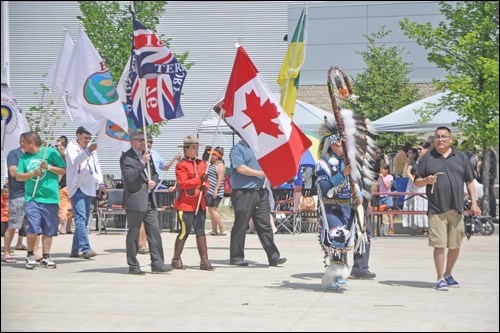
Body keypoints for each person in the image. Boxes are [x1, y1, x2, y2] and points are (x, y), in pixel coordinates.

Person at [415, 126, 480, 291]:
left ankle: (448, 274)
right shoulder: (427, 158)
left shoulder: (461, 157)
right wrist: (426, 181)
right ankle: (440, 278)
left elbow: (470, 181)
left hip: (457, 208)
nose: (440, 139)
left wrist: (474, 202)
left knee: (455, 245)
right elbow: (417, 181)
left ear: (450, 139)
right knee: (439, 244)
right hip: (437, 208)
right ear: (434, 139)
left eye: (444, 136)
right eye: (437, 136)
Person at [229, 138, 286, 267]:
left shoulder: (259, 150)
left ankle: (273, 257)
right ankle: (236, 257)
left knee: (265, 224)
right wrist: (261, 173)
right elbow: (241, 169)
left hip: (261, 191)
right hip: (244, 192)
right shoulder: (237, 149)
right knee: (241, 224)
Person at [315, 119, 358, 288]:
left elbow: (357, 185)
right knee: (337, 238)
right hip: (330, 207)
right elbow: (324, 187)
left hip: (348, 207)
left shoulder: (351, 162)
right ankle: (336, 275)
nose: (343, 145)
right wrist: (343, 173)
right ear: (332, 144)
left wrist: (360, 197)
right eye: (340, 142)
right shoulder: (323, 163)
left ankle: (340, 274)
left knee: (347, 241)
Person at [120, 131, 169, 275]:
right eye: (141, 140)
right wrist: (142, 162)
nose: (144, 142)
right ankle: (133, 265)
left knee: (154, 232)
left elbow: (154, 173)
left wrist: (154, 181)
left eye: (146, 140)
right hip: (135, 200)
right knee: (134, 233)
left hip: (149, 200)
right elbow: (130, 178)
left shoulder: (147, 155)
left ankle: (158, 263)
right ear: (132, 141)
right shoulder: (126, 157)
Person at [16, 131, 66, 269]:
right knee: (33, 226)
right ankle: (31, 254)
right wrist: (33, 173)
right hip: (32, 197)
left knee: (48, 229)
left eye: (23, 143)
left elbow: (63, 170)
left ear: (31, 143)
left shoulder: (50, 152)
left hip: (50, 198)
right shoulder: (24, 158)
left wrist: (48, 167)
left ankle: (46, 256)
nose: (21, 146)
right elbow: (19, 176)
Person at [171, 135, 215, 271]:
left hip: (199, 203)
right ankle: (176, 259)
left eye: (197, 148)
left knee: (200, 232)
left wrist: (205, 187)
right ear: (186, 149)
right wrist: (199, 181)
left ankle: (204, 261)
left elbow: (206, 182)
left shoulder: (202, 164)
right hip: (185, 205)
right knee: (185, 231)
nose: (196, 150)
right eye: (193, 148)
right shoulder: (181, 165)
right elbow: (183, 183)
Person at [138, 135, 181, 255]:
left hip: (153, 190)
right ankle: (142, 244)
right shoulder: (138, 155)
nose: (149, 144)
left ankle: (149, 244)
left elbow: (165, 166)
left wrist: (174, 159)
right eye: (148, 142)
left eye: (151, 142)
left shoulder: (155, 154)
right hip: (141, 189)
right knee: (141, 217)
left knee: (150, 217)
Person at [65, 127, 101, 259]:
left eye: (89, 138)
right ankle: (86, 248)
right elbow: (75, 161)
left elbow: (96, 165)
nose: (87, 141)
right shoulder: (71, 146)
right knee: (80, 219)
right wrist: (88, 151)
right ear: (78, 135)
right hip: (77, 187)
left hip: (89, 187)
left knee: (84, 221)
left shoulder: (91, 148)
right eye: (85, 138)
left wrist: (101, 182)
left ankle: (75, 250)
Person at [2, 138, 30, 264]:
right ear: (23, 141)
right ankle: (6, 253)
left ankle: (33, 253)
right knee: (14, 225)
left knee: (33, 226)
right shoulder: (14, 154)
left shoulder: (34, 155)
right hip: (18, 195)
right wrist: (33, 173)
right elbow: (13, 173)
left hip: (33, 195)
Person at [403, 143, 430, 234]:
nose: (418, 151)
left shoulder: (429, 159)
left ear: (427, 149)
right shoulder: (414, 159)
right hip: (413, 184)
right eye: (417, 149)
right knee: (415, 204)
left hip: (424, 183)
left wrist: (424, 181)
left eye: (420, 149)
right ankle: (418, 227)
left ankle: (425, 226)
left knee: (424, 204)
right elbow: (408, 171)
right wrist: (414, 180)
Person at [206, 146, 227, 236]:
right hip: (209, 190)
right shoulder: (212, 165)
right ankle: (214, 230)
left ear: (216, 156)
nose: (210, 156)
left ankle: (222, 227)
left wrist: (216, 190)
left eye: (212, 155)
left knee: (212, 209)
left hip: (215, 191)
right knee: (211, 210)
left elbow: (220, 179)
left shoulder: (220, 165)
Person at [55, 136, 73, 235]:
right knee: (69, 208)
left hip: (64, 185)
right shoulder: (70, 156)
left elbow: (61, 173)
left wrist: (56, 184)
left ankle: (62, 227)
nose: (57, 148)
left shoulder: (62, 158)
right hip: (71, 185)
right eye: (56, 146)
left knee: (63, 208)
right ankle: (68, 228)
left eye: (59, 146)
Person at [377, 165, 395, 234]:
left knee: (389, 212)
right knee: (379, 213)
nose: (381, 171)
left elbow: (387, 186)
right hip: (380, 196)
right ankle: (380, 228)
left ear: (387, 170)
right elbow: (378, 186)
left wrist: (383, 178)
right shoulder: (379, 178)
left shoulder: (390, 177)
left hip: (387, 196)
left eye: (382, 169)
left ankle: (391, 228)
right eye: (380, 170)